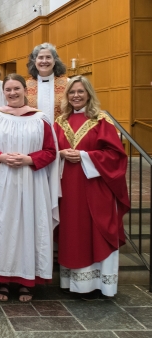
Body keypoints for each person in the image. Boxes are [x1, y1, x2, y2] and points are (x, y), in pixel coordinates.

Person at [0, 73, 59, 303]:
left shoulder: (40, 118)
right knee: (2, 227)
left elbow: (51, 152)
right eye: (8, 90)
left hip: (31, 182)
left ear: (25, 90)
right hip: (0, 182)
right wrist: (1, 156)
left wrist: (29, 160)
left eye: (16, 89)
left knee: (29, 227)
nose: (12, 93)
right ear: (4, 92)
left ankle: (26, 281)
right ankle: (1, 279)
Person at [54, 76, 129, 299]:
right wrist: (60, 154)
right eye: (71, 92)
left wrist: (86, 156)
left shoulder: (101, 120)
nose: (76, 96)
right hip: (67, 187)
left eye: (80, 91)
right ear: (66, 95)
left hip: (95, 187)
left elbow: (116, 155)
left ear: (88, 93)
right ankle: (73, 284)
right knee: (73, 231)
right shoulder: (60, 121)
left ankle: (98, 285)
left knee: (95, 230)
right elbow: (50, 150)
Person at [25, 43, 68, 122]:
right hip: (35, 132)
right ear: (35, 61)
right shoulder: (26, 86)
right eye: (40, 57)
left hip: (60, 132)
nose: (44, 61)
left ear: (54, 61)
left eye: (48, 57)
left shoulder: (68, 83)